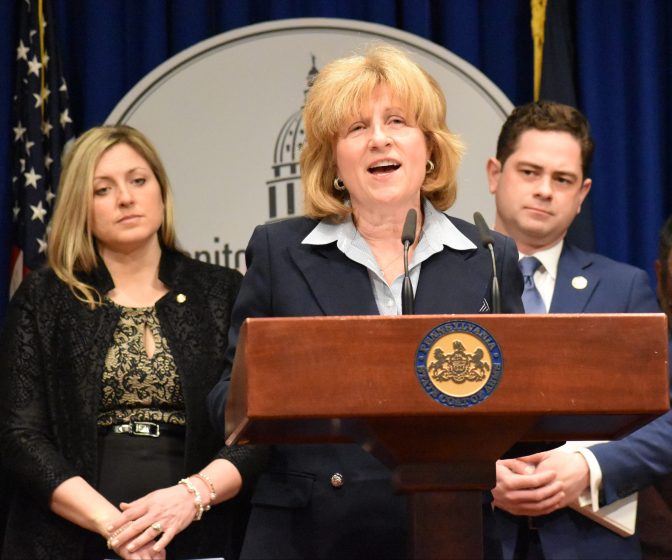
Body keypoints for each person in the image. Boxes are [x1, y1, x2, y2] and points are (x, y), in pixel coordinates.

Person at [208, 43, 524, 559]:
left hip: (447, 530)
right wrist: (303, 381)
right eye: (356, 128)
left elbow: (520, 396)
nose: (379, 139)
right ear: (333, 160)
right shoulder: (280, 250)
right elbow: (226, 402)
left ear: (431, 148)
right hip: (309, 533)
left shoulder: (488, 257)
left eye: (397, 120)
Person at [0, 125, 265, 560]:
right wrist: (120, 530)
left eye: (138, 181)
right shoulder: (46, 298)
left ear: (161, 190)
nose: (126, 198)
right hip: (69, 540)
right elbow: (20, 436)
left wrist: (190, 499)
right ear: (79, 208)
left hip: (202, 534)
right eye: (103, 189)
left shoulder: (221, 291)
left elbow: (257, 430)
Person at [484, 101, 661, 559]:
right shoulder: (436, 278)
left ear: (581, 194)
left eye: (561, 180)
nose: (544, 190)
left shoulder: (624, 288)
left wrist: (590, 465)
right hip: (472, 533)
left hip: (590, 542)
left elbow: (666, 417)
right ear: (494, 174)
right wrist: (478, 475)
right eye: (529, 172)